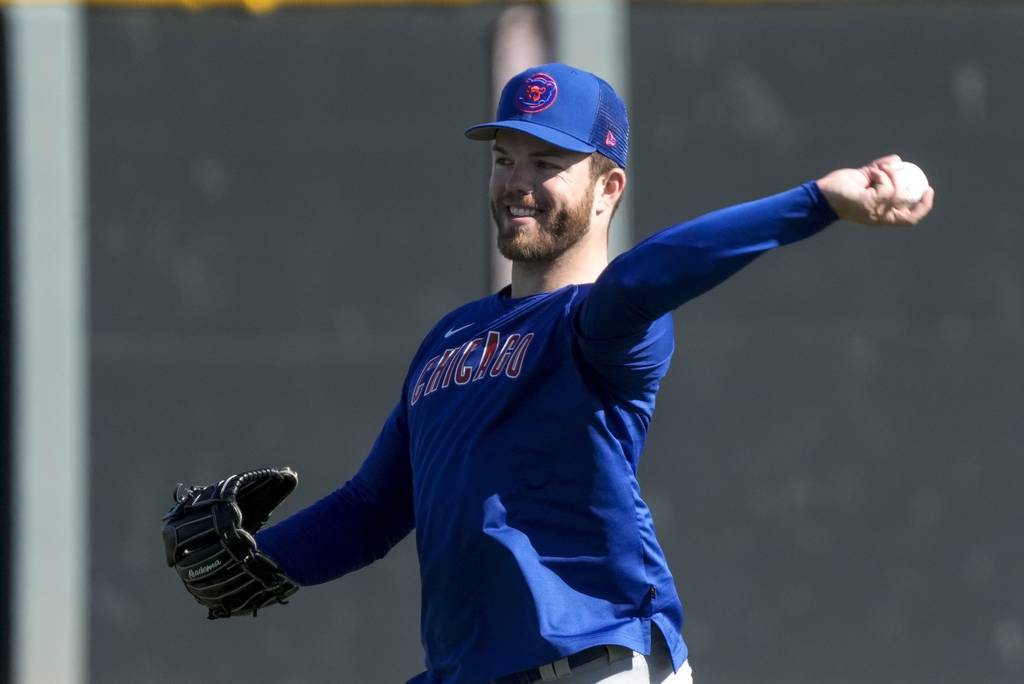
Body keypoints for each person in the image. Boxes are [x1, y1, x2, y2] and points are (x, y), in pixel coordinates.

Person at [254, 63, 935, 684]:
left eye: (545, 161)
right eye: (503, 158)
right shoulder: (448, 340)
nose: (516, 181)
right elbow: (371, 509)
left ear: (609, 187)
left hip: (592, 665)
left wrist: (817, 201)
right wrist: (259, 560)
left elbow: (645, 275)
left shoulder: (600, 326)